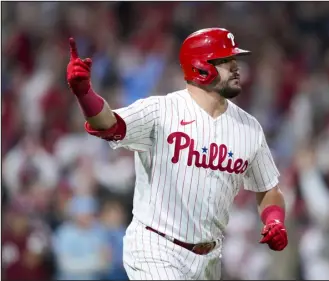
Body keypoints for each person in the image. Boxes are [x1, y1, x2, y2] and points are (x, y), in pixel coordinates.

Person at [66, 27, 288, 280]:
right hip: (156, 247)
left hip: (209, 259)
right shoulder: (161, 111)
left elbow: (268, 189)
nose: (236, 67)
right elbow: (108, 124)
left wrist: (275, 220)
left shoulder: (249, 128)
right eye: (225, 61)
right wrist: (85, 95)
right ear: (200, 67)